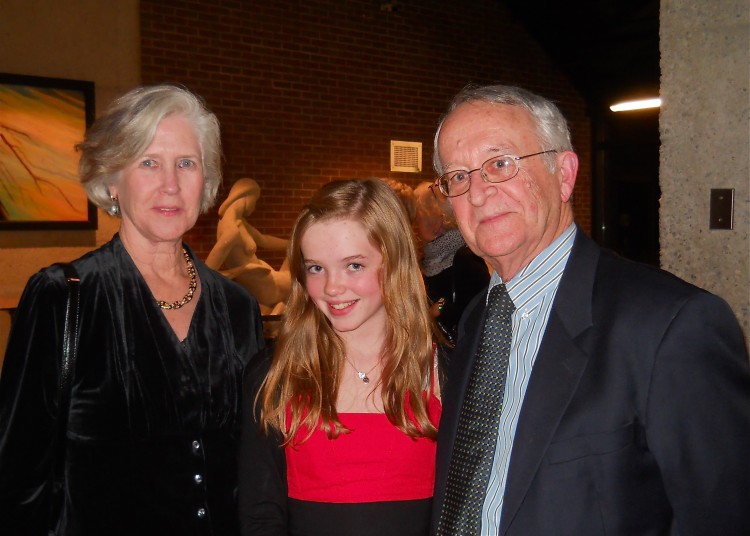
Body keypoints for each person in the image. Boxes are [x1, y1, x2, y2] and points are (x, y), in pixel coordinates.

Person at [429, 84, 750, 535]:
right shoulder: (477, 319)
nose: (477, 193)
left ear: (564, 173)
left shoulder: (669, 325)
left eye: (499, 164)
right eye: (458, 177)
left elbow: (721, 519)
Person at [0, 85, 265, 535]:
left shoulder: (237, 307)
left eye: (186, 163)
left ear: (206, 180)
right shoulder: (63, 298)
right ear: (111, 181)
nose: (170, 183)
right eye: (148, 162)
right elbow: (19, 477)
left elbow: (255, 465)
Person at [238, 178, 442, 536]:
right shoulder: (276, 376)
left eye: (354, 265)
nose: (332, 287)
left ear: (394, 262)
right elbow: (261, 515)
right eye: (316, 267)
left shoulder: (445, 372)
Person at [413, 181, 489, 345]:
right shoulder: (423, 263)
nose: (414, 226)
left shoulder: (467, 260)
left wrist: (439, 311)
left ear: (436, 224)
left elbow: (478, 321)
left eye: (418, 218)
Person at [205, 177, 291, 315]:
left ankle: (276, 311)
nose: (254, 206)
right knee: (300, 279)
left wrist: (291, 243)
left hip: (266, 281)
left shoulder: (239, 223)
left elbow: (264, 240)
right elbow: (206, 273)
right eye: (255, 201)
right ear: (245, 196)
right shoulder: (231, 230)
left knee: (296, 256)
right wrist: (242, 270)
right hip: (266, 287)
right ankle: (280, 311)